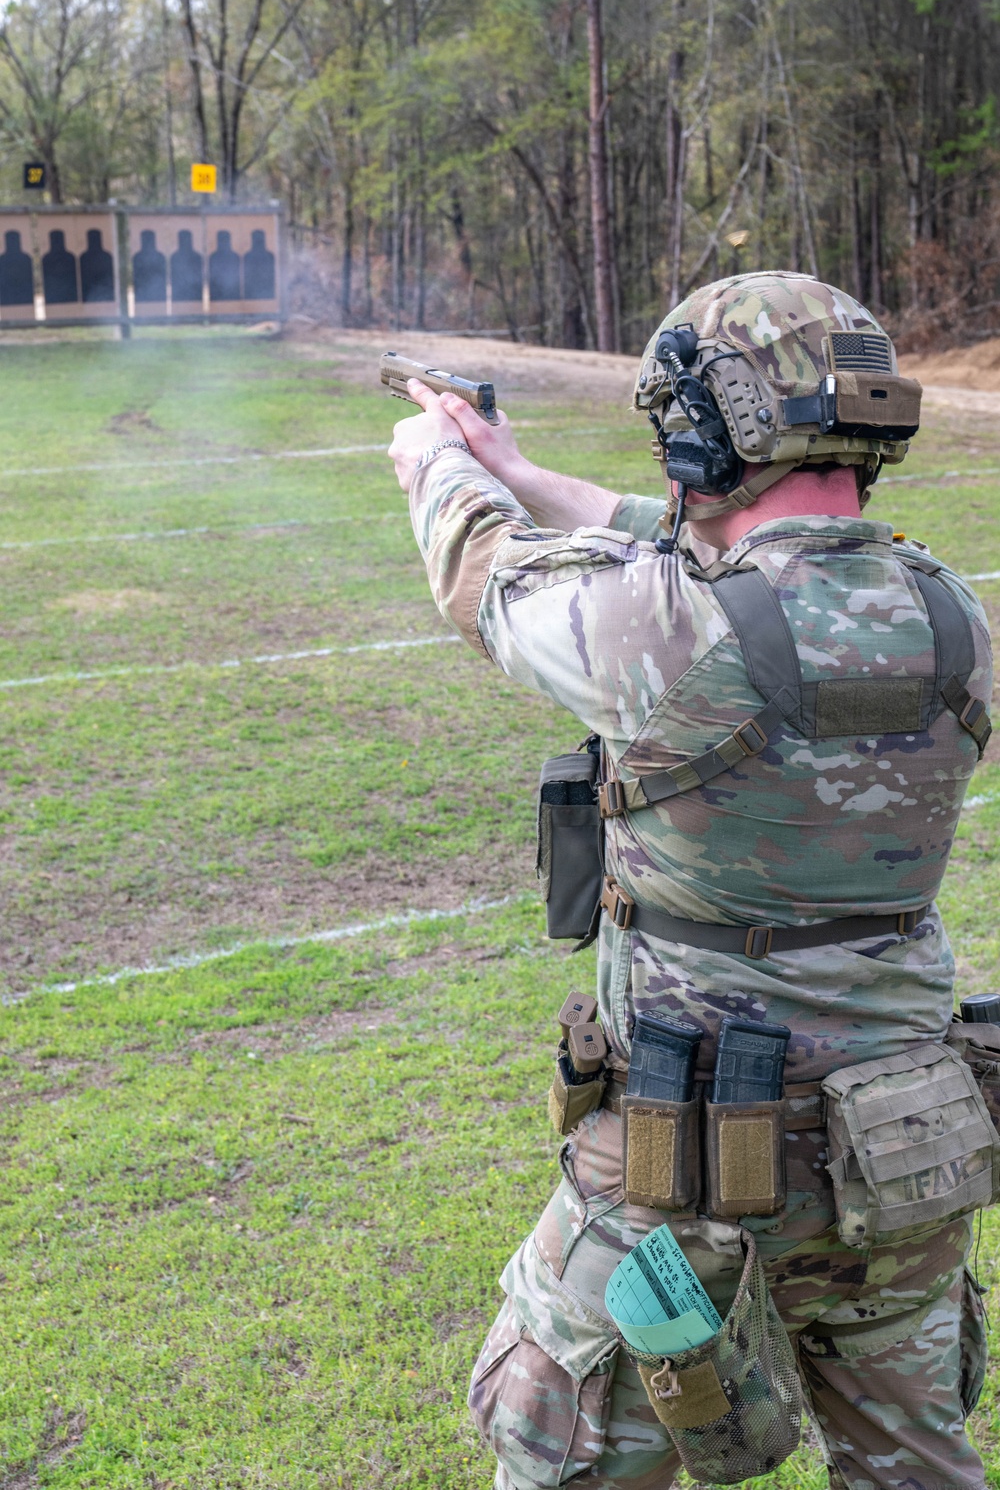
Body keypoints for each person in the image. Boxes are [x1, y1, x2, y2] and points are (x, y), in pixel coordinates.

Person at [388, 271, 994, 1490]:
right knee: (916, 1469)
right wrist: (517, 459)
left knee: (563, 1458)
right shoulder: (948, 615)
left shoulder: (662, 629)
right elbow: (703, 561)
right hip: (903, 1152)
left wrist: (439, 464)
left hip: (689, 1166)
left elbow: (489, 575)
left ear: (703, 434)